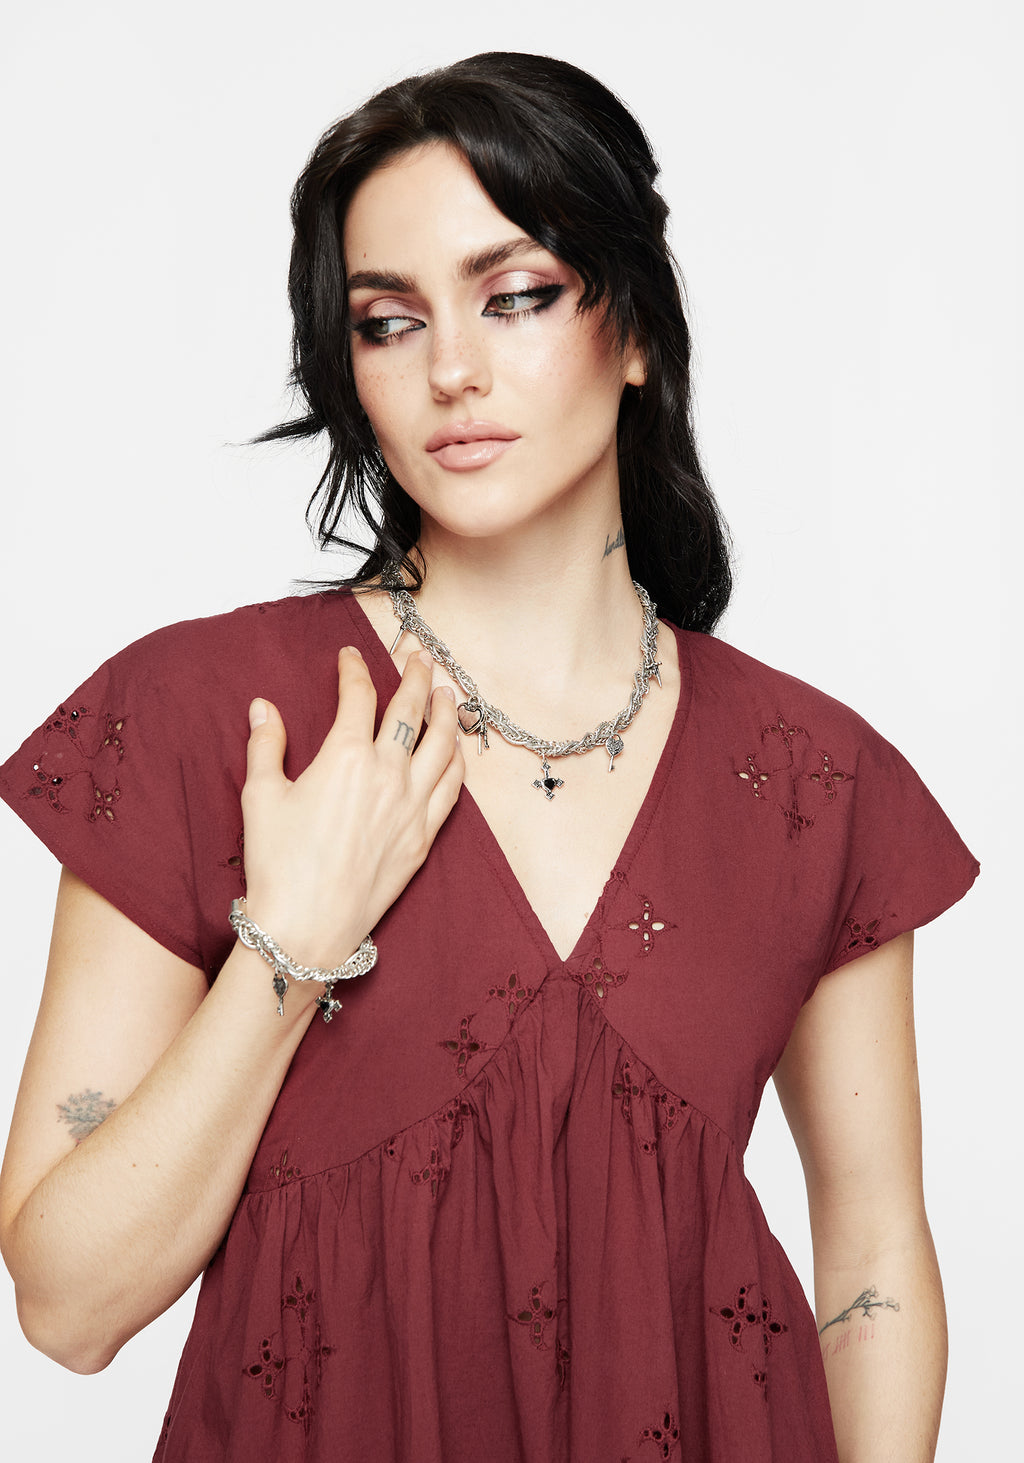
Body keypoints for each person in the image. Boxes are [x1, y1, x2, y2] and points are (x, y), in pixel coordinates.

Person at [0, 51, 977, 1463]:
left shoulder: (815, 782)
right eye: (389, 323)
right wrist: (290, 950)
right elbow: (66, 1306)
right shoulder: (210, 716)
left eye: (514, 295)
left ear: (635, 329)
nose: (450, 370)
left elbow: (872, 1264)